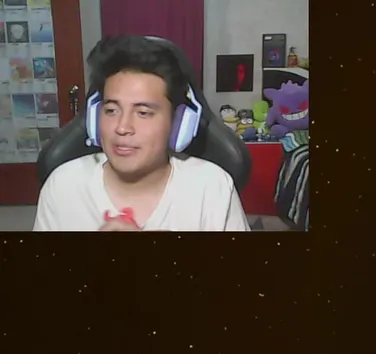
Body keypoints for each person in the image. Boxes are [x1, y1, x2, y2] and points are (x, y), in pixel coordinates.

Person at [34, 36, 250, 231]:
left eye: (143, 113)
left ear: (178, 123)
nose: (122, 127)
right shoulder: (63, 186)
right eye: (111, 110)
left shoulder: (213, 188)